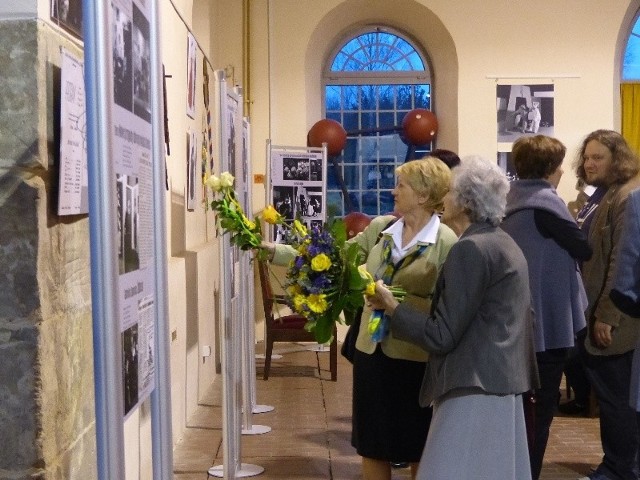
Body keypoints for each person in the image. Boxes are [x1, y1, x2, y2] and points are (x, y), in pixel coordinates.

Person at [263, 157, 457, 480]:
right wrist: (275, 251)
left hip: (414, 356)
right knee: (372, 444)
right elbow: (334, 257)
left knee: (419, 445)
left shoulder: (447, 242)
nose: (393, 192)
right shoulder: (381, 229)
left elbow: (445, 304)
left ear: (423, 196)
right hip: (372, 351)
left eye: (401, 186)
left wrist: (393, 299)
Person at [368, 156, 538, 479]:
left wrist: (392, 306)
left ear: (464, 201)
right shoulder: (503, 242)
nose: (444, 198)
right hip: (502, 382)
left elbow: (442, 334)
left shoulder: (469, 249)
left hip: (473, 387)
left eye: (450, 192)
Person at [500, 135, 592, 480]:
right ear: (551, 169)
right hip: (546, 326)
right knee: (539, 415)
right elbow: (583, 247)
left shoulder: (509, 201)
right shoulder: (544, 204)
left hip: (517, 320)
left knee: (521, 412)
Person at [574, 129, 640, 480]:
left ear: (618, 159)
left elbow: (623, 261)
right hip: (595, 310)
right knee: (611, 398)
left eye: (598, 157)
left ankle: (620, 469)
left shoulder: (628, 196)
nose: (589, 163)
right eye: (586, 157)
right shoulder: (601, 195)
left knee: (618, 403)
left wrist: (606, 315)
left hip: (617, 318)